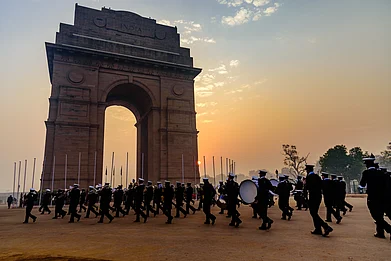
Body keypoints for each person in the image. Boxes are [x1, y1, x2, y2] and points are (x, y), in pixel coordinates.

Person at [360, 156, 391, 239]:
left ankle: (388, 229)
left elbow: (362, 185)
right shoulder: (381, 173)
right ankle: (380, 233)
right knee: (380, 214)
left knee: (376, 216)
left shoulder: (366, 173)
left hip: (372, 197)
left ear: (367, 165)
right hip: (383, 197)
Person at [305, 165, 333, 236]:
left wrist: (305, 197)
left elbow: (306, 188)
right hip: (318, 197)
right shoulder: (317, 177)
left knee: (313, 213)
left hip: (312, 197)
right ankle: (318, 229)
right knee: (315, 213)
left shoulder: (308, 177)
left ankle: (325, 226)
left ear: (308, 170)